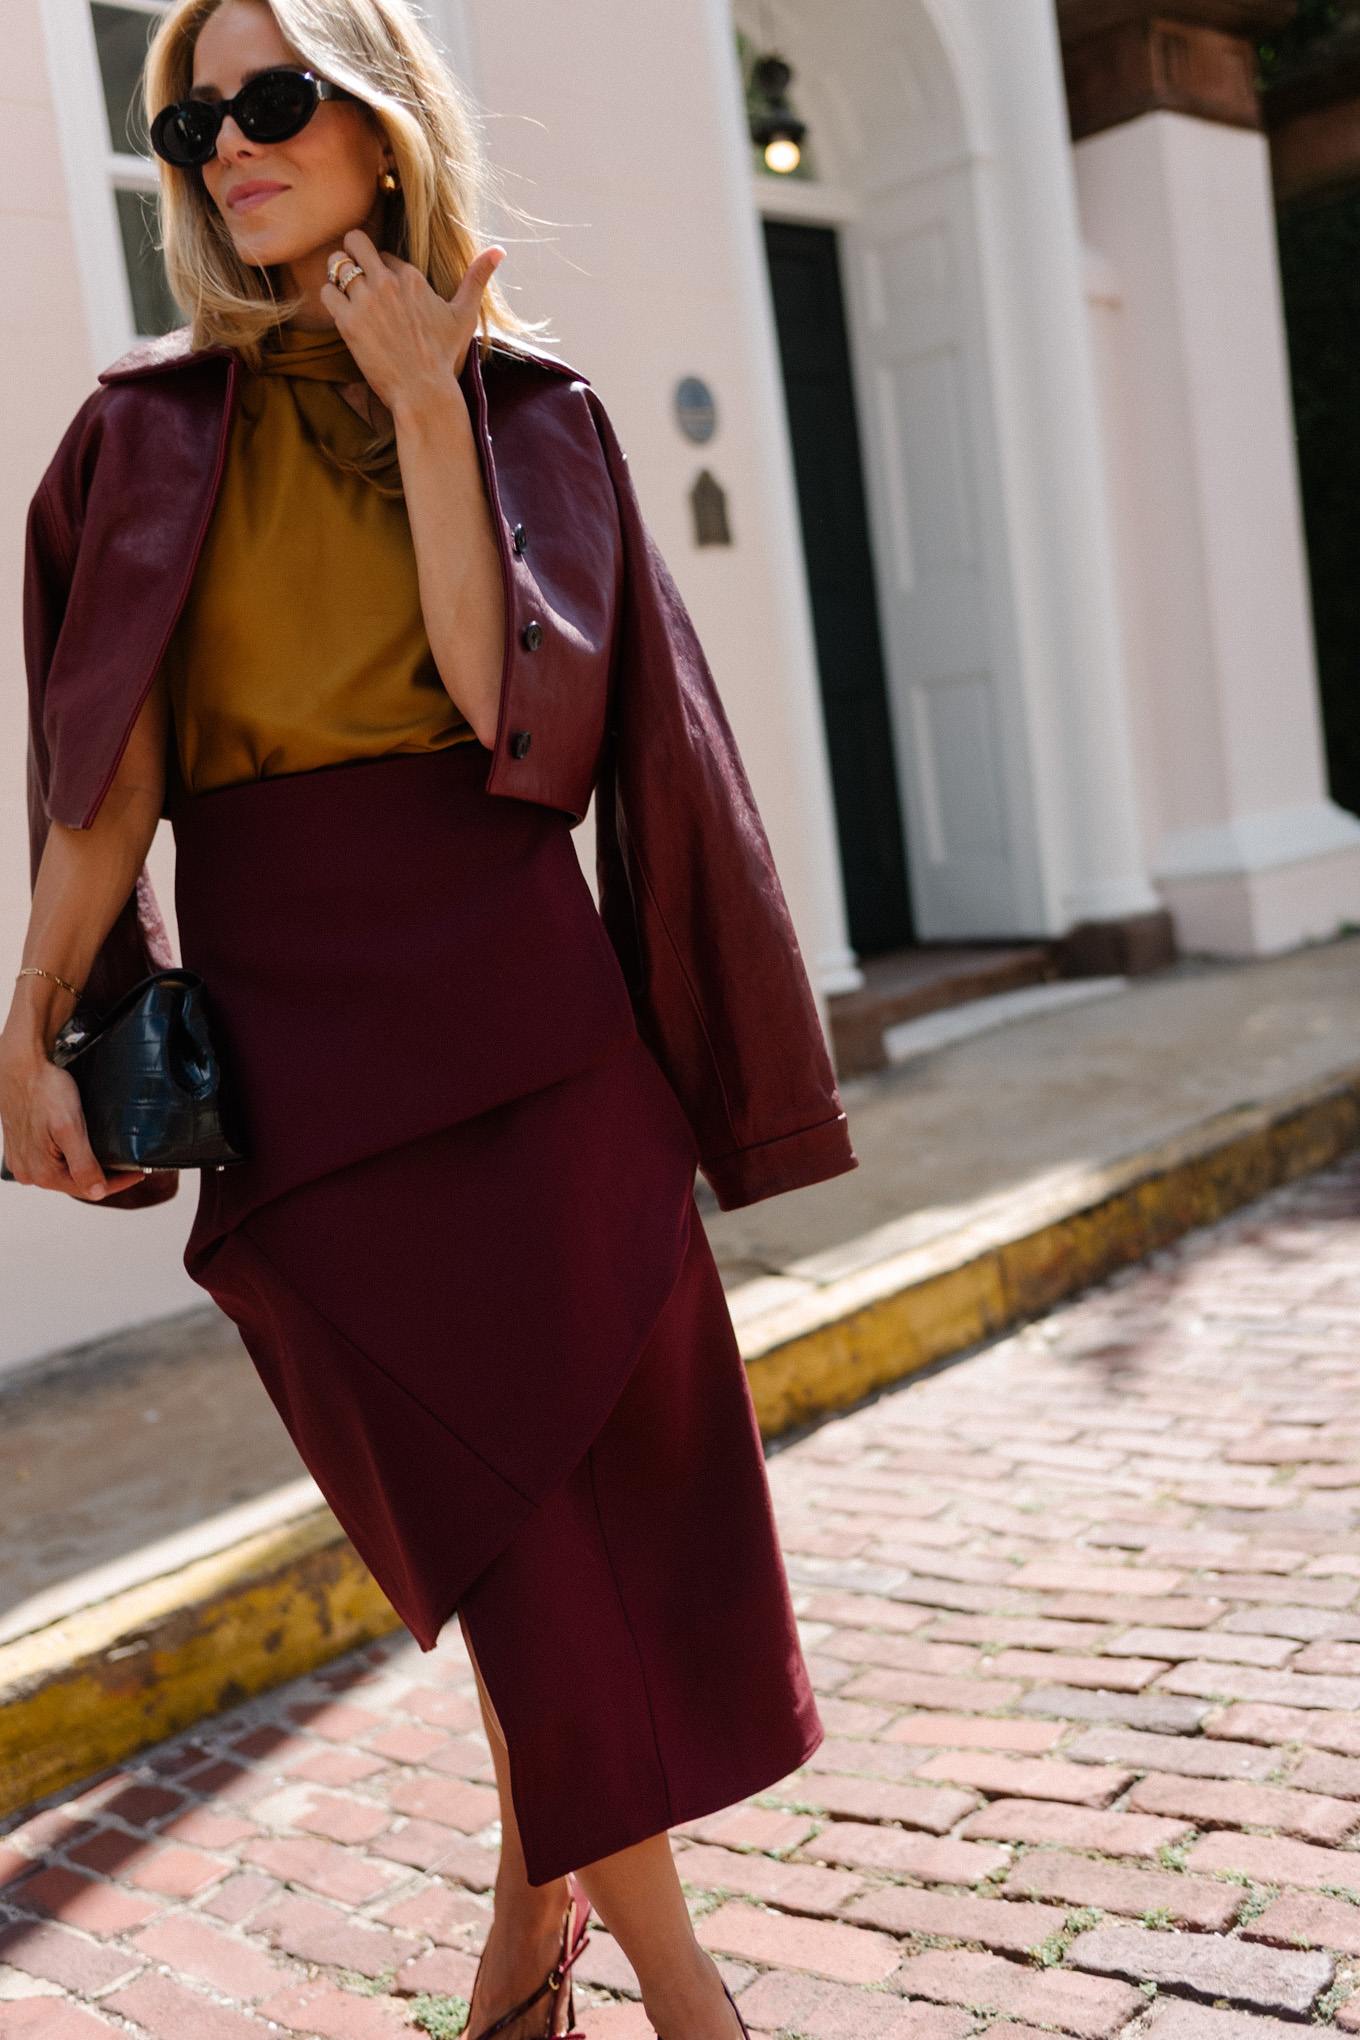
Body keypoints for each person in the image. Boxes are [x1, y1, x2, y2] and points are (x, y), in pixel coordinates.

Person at [0, 1, 856, 2034]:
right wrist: (27, 1026)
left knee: (566, 1519)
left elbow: (519, 730)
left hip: (530, 1024)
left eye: (274, 97)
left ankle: (580, 1958)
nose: (229, 142)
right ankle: (657, 1981)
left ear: (382, 125)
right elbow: (104, 781)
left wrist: (426, 409)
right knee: (494, 1530)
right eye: (193, 114)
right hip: (306, 1059)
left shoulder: (525, 407)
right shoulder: (138, 434)